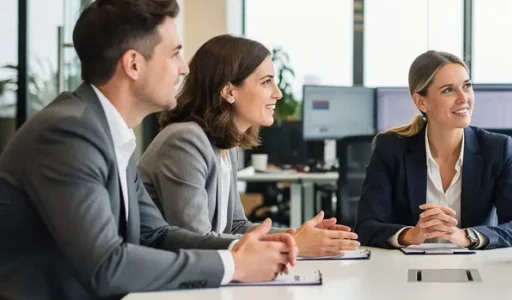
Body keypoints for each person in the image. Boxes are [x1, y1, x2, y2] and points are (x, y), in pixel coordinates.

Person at [0, 1, 298, 299]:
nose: (184, 68)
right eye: (174, 53)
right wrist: (232, 265)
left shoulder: (111, 134)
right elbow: (107, 266)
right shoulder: (67, 134)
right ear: (133, 64)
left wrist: (243, 250)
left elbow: (155, 234)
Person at [137, 34, 359, 258]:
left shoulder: (225, 143)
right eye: (266, 82)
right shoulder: (185, 140)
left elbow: (235, 226)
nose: (278, 93)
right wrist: (293, 243)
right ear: (229, 91)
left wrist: (298, 234)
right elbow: (194, 238)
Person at [355, 50, 512, 249]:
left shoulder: (497, 149)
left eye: (467, 86)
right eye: (448, 90)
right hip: (405, 269)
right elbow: (366, 227)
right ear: (422, 101)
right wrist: (411, 234)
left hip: (477, 267)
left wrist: (468, 236)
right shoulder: (390, 148)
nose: (464, 98)